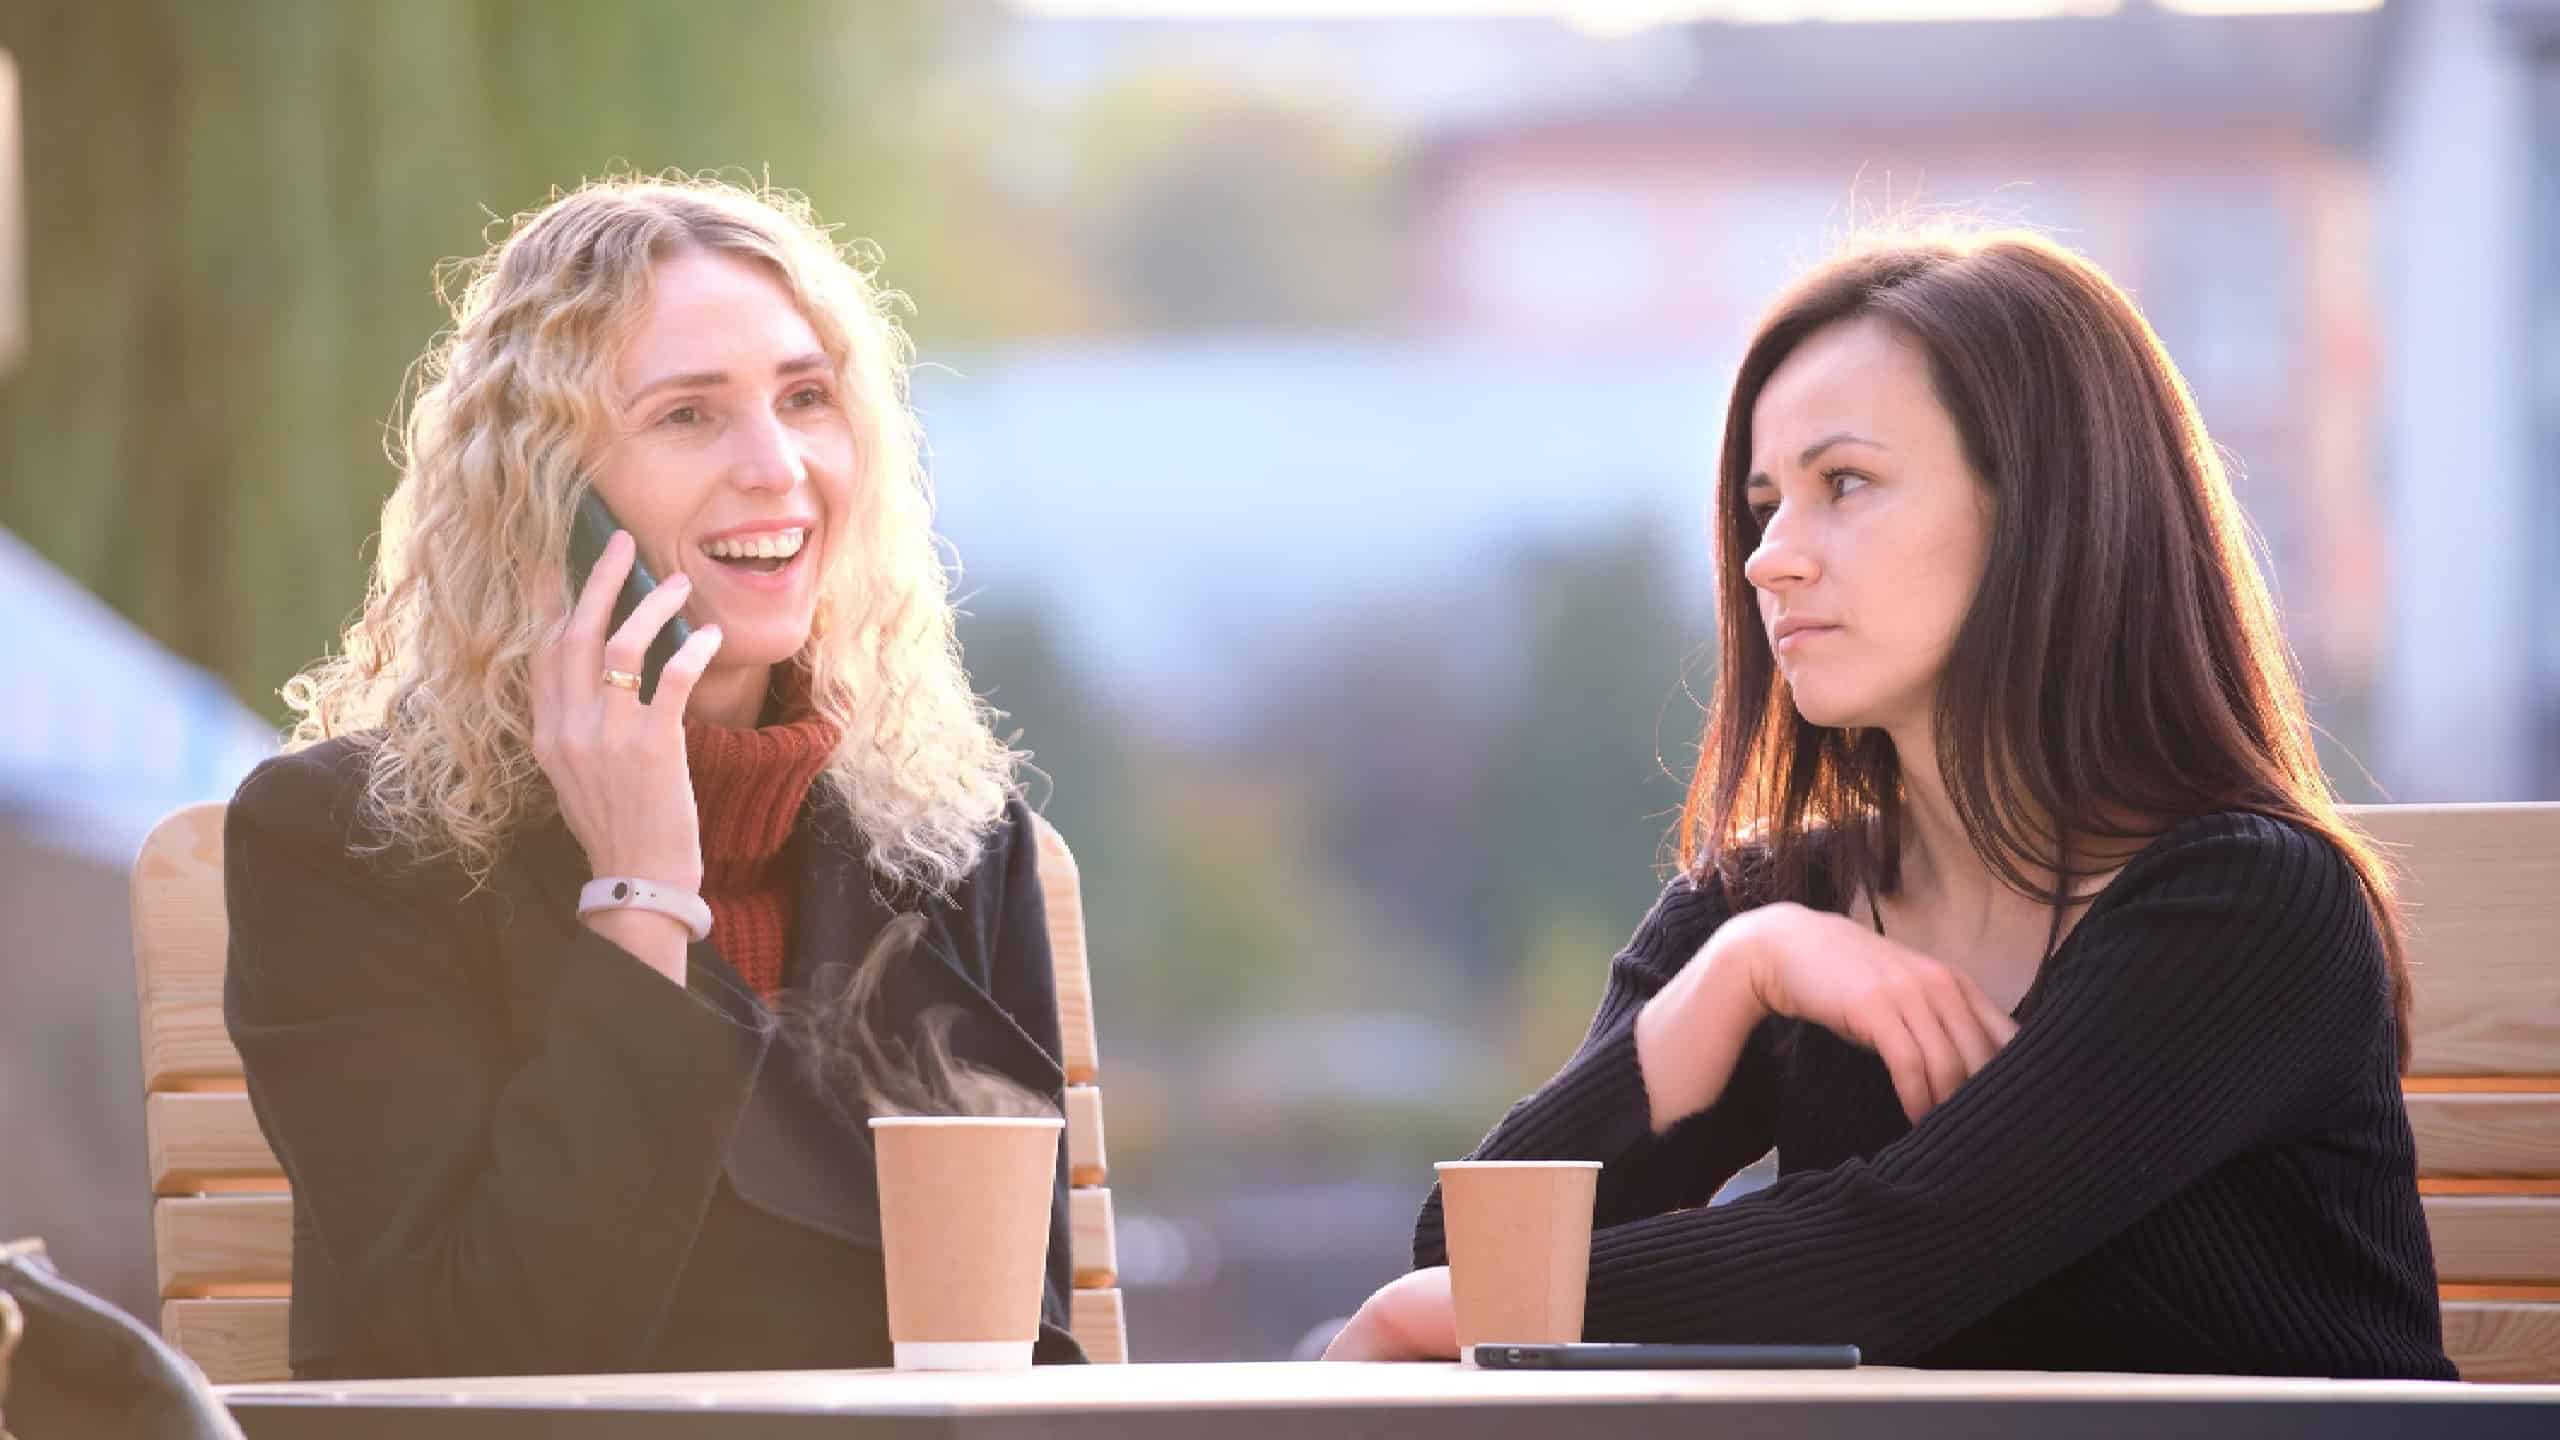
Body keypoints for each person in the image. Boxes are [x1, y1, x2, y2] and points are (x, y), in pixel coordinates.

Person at [1326, 229, 2456, 1379]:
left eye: (1844, 484)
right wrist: (1731, 978)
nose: (1769, 558)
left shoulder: (2248, 906)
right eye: (1764, 504)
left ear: (2044, 509)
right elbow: (1468, 1257)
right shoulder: (1780, 912)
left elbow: (1895, 1260)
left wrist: (1451, 1307)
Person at [222, 176, 1084, 1379]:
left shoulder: (949, 838)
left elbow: (1027, 1348)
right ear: (547, 491)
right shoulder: (346, 843)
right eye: (687, 416)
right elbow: (463, 1353)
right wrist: (641, 892)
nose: (776, 467)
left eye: (806, 398)